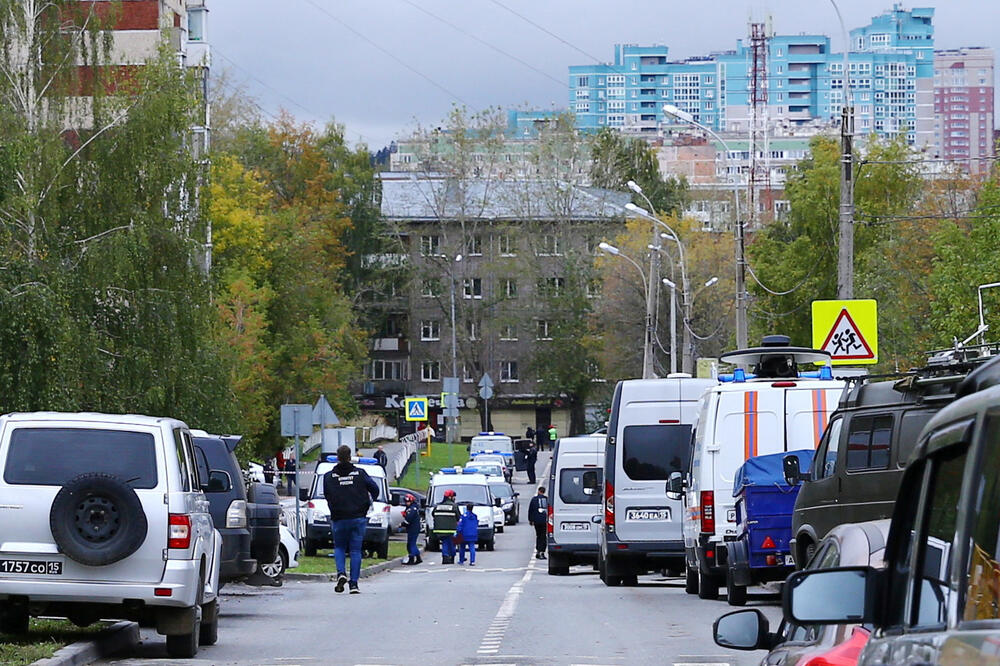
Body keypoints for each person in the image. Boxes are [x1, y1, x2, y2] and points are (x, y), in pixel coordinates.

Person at [323, 445, 379, 594]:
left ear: (337, 457)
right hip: (358, 517)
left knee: (339, 547)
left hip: (339, 517)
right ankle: (353, 584)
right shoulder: (360, 474)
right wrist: (367, 504)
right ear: (350, 457)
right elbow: (375, 489)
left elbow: (327, 495)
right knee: (355, 550)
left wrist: (334, 508)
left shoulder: (328, 476)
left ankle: (341, 573)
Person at [431, 489, 462, 564]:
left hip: (439, 530)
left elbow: (433, 514)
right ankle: (451, 557)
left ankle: (445, 557)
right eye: (454, 497)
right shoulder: (454, 506)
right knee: (452, 544)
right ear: (450, 497)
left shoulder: (438, 506)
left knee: (445, 543)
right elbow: (458, 517)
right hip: (451, 530)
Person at [400, 494, 423, 566]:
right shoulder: (412, 508)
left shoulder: (412, 509)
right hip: (412, 528)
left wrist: (402, 524)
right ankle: (417, 558)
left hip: (413, 528)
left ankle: (412, 558)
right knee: (410, 544)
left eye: (408, 502)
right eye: (406, 502)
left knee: (411, 544)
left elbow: (408, 519)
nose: (407, 503)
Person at [528, 486, 548, 559]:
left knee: (538, 535)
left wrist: (530, 520)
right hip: (544, 520)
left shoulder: (534, 499)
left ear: (539, 491)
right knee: (543, 536)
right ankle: (542, 551)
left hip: (536, 521)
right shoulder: (546, 499)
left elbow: (531, 510)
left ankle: (538, 551)